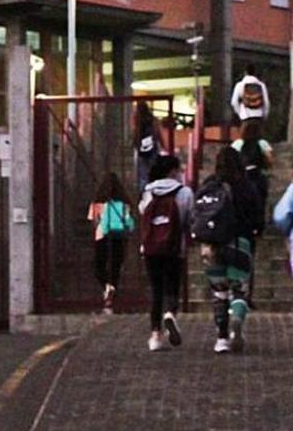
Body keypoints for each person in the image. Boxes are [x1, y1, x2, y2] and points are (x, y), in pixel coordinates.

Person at [193, 147, 261, 354]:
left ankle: (221, 338)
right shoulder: (246, 185)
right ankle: (237, 321)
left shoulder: (209, 184)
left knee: (219, 291)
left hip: (212, 244)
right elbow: (257, 214)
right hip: (239, 242)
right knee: (239, 289)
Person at [138, 156, 194, 352]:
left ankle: (155, 336)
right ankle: (170, 313)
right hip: (174, 247)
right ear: (172, 171)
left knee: (155, 289)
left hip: (151, 248)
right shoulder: (184, 192)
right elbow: (189, 218)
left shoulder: (148, 192)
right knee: (172, 285)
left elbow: (143, 214)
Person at [231, 119, 272, 306]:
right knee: (249, 255)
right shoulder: (262, 144)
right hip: (254, 211)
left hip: (236, 216)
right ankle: (247, 294)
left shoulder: (237, 145)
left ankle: (234, 292)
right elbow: (270, 160)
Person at [87, 172, 135, 314]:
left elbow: (94, 222)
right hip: (119, 238)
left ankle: (107, 289)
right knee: (115, 267)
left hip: (102, 237)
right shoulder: (124, 204)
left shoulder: (96, 204)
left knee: (99, 267)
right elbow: (128, 222)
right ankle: (111, 293)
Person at [133, 102, 166, 192]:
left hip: (140, 151)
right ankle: (154, 190)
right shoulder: (153, 120)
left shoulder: (137, 120)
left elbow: (135, 135)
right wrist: (163, 146)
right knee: (153, 171)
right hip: (152, 149)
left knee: (142, 175)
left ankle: (144, 192)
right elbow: (158, 134)